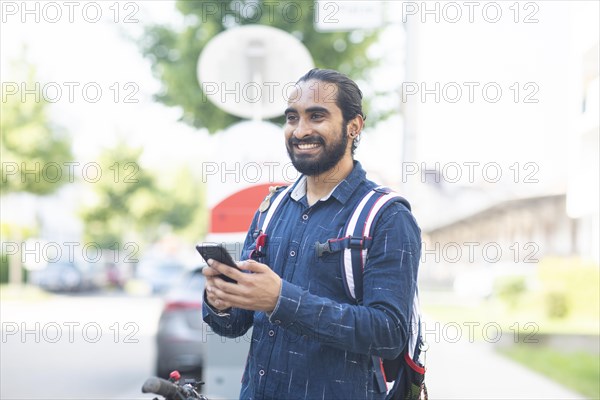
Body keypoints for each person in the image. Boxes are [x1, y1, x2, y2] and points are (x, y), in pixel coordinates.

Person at [202, 68, 421, 400]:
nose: (300, 130)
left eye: (316, 116)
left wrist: (281, 300)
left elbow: (389, 332)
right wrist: (219, 301)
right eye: (292, 118)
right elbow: (234, 325)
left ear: (354, 126)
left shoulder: (386, 216)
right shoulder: (270, 208)